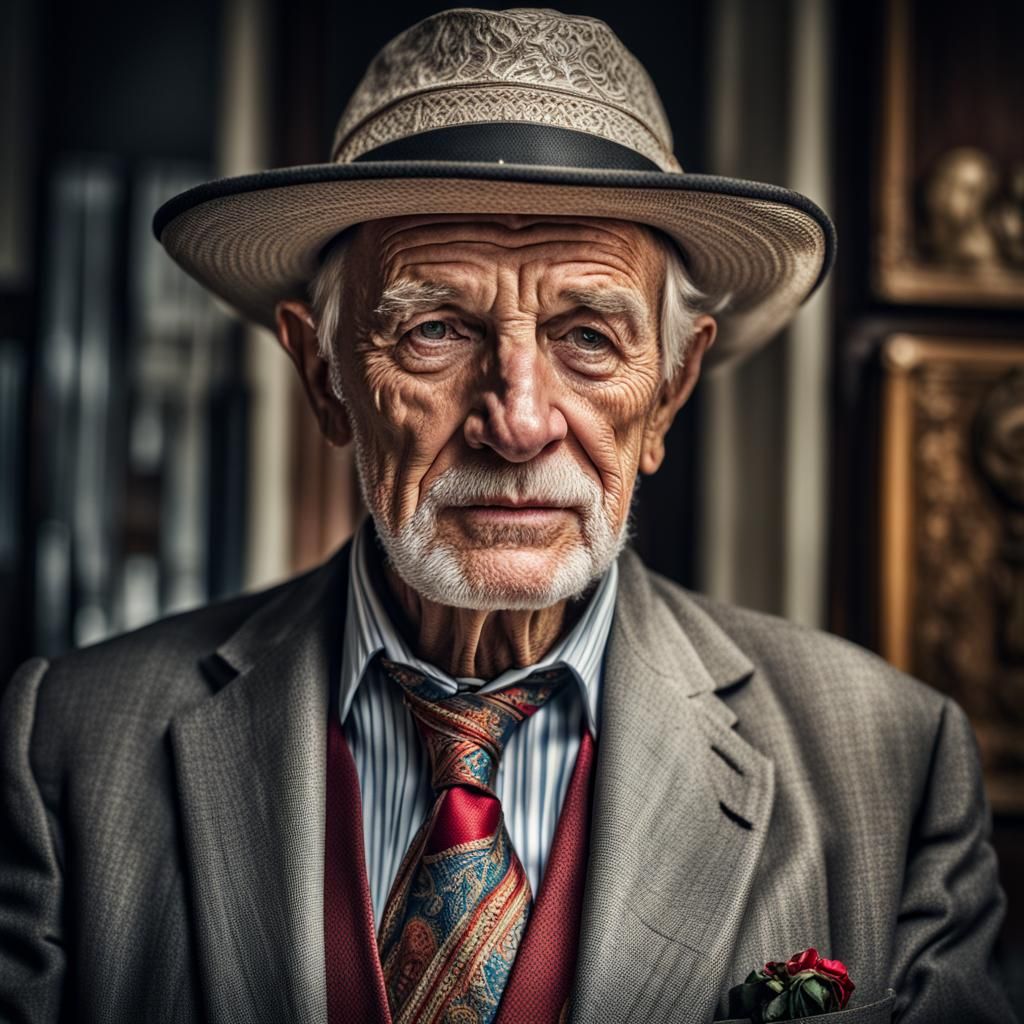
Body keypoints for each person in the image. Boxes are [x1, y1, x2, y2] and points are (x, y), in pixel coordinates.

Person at [0, 8, 1016, 1024]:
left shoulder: (891, 764)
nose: (517, 422)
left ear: (668, 391)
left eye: (586, 336)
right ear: (322, 374)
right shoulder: (72, 749)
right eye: (436, 329)